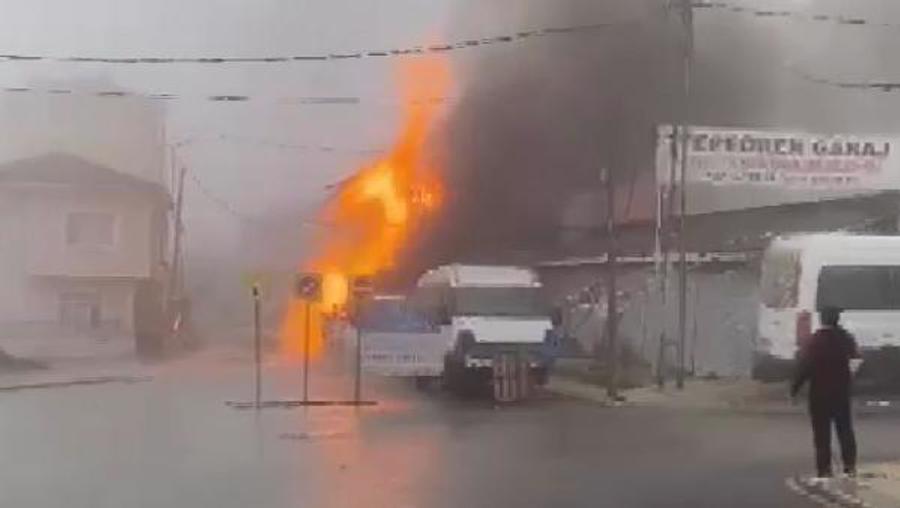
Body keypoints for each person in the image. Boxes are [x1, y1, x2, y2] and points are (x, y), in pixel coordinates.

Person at [791, 306, 861, 480]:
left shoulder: (816, 340)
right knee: (845, 430)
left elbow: (805, 367)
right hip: (841, 393)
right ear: (837, 319)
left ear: (822, 319)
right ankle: (849, 467)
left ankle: (824, 470)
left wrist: (794, 389)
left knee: (822, 434)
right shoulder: (846, 338)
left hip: (819, 394)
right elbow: (856, 360)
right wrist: (849, 377)